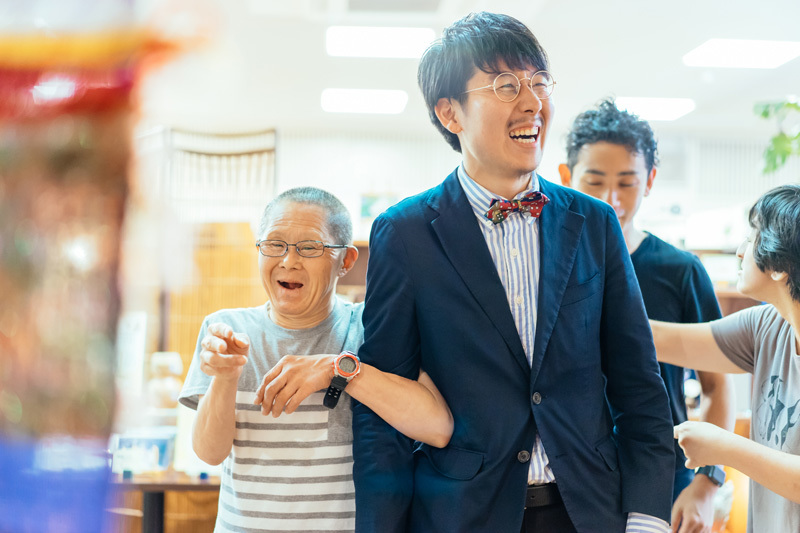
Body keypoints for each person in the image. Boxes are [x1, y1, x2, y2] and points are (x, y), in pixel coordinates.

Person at [352, 12, 675, 533]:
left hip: (589, 511)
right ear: (450, 113)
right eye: (505, 85)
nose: (532, 101)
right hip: (461, 515)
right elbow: (383, 406)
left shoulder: (592, 222)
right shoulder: (406, 232)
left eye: (539, 82)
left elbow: (640, 384)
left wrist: (647, 515)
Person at [178, 187, 453, 533]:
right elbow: (209, 452)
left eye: (310, 248)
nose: (288, 261)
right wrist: (226, 377)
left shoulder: (373, 330)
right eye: (274, 245)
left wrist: (336, 370)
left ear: (346, 261)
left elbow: (438, 428)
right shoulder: (228, 330)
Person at [558, 99, 736, 532]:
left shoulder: (680, 271)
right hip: (569, 476)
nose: (610, 200)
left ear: (651, 180)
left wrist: (706, 483)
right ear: (566, 177)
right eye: (594, 182)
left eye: (627, 183)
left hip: (663, 474)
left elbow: (716, 387)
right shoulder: (548, 267)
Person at [651, 184, 800, 533]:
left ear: (779, 266)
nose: (739, 252)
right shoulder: (768, 326)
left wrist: (726, 449)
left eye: (751, 239)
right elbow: (661, 340)